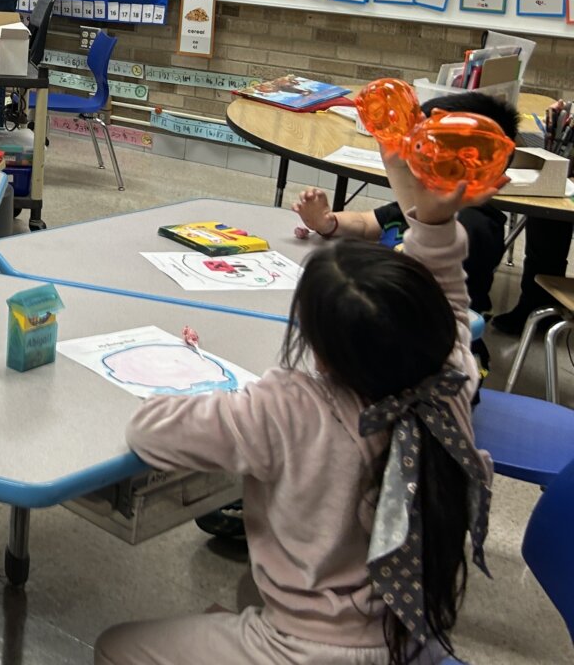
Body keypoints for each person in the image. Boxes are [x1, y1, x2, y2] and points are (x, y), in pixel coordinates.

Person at [96, 146, 495, 665]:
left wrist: (247, 383)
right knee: (240, 602)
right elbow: (450, 300)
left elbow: (149, 431)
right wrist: (436, 221)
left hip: (309, 650)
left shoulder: (288, 407)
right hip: (414, 634)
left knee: (116, 648)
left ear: (321, 350)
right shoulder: (451, 378)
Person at [293, 90, 516, 367]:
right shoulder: (421, 205)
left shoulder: (477, 225)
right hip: (389, 335)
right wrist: (327, 222)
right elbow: (366, 224)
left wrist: (399, 172)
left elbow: (431, 292)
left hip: (441, 360)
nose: (416, 148)